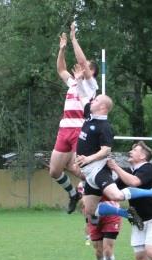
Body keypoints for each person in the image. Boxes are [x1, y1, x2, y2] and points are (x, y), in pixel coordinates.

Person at [76, 95, 152, 229]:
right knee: (90, 210)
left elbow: (106, 150)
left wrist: (88, 159)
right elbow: (82, 93)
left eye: (96, 100)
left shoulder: (105, 127)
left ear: (103, 107)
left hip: (97, 169)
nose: (93, 101)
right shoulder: (89, 115)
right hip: (88, 172)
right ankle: (127, 214)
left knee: (116, 196)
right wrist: (80, 79)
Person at [50, 22, 99, 214]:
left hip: (80, 130)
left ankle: (102, 196)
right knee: (54, 171)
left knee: (85, 172)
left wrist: (73, 39)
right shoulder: (73, 83)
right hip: (64, 129)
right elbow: (61, 69)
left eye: (84, 66)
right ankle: (73, 194)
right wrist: (62, 50)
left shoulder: (90, 85)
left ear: (90, 71)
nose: (79, 66)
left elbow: (83, 62)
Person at [77, 182, 122, 260]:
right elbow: (83, 204)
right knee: (98, 252)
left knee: (107, 251)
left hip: (111, 215)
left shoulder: (107, 179)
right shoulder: (82, 184)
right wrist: (87, 220)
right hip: (94, 218)